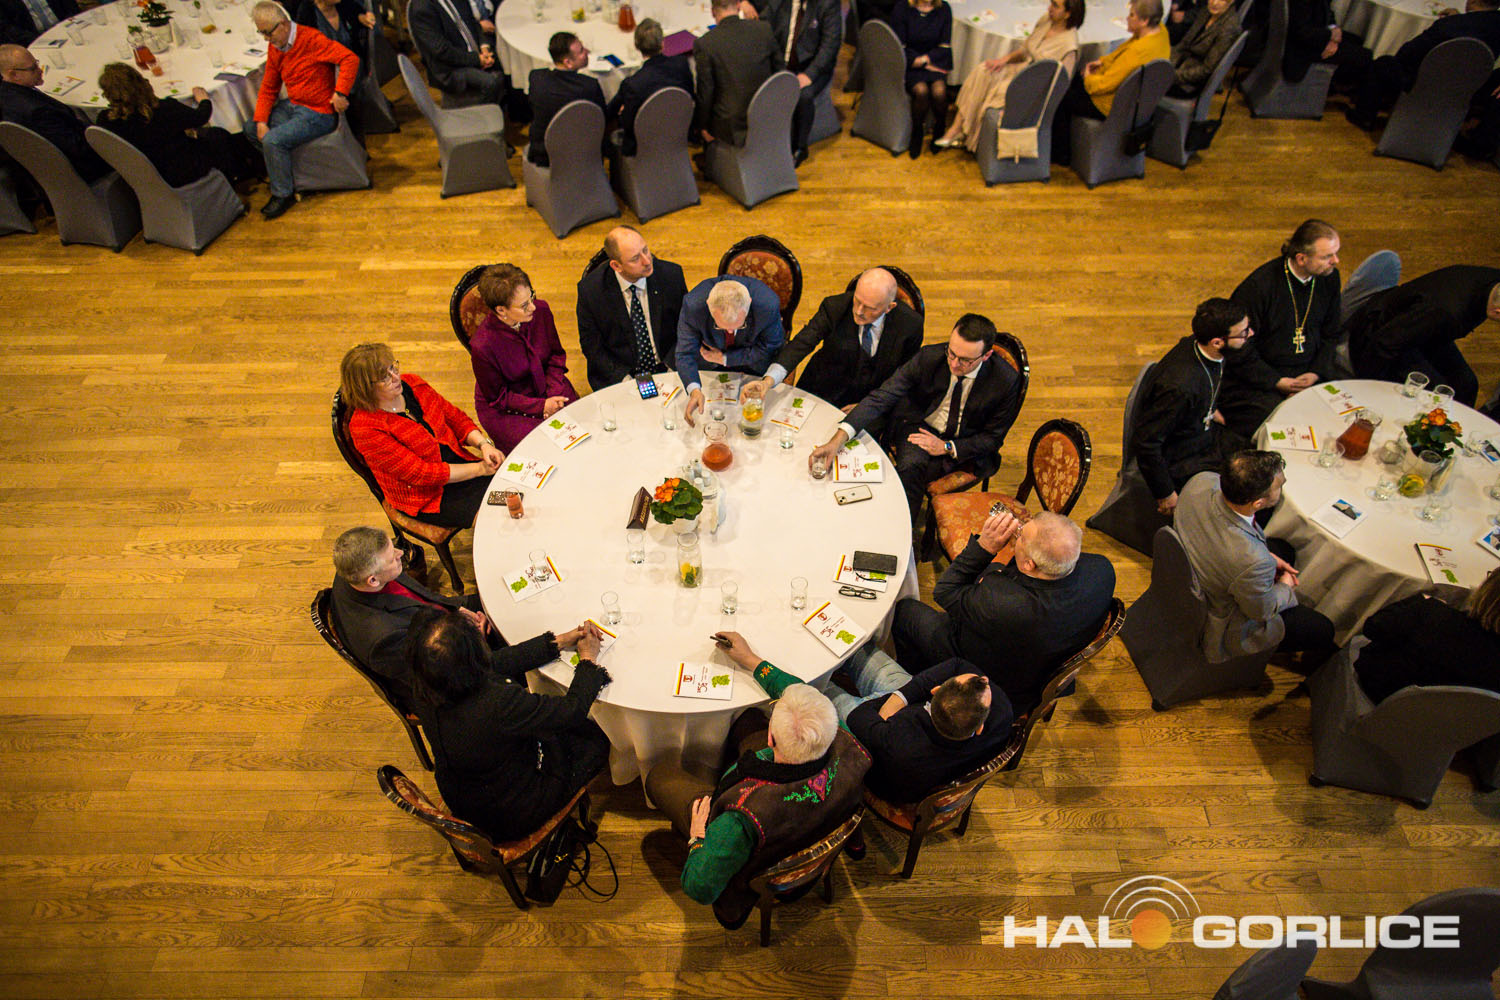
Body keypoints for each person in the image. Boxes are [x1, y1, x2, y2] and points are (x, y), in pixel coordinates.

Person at [643, 632, 870, 929]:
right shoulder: (846, 740)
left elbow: (699, 888)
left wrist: (698, 838)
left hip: (760, 838)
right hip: (819, 813)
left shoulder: (738, 822)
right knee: (748, 719)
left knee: (659, 777)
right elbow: (797, 691)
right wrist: (751, 660)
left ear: (771, 738)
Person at [405, 606, 612, 842]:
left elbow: (495, 662)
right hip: (511, 811)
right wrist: (588, 659)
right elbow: (571, 711)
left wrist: (560, 642)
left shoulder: (427, 684)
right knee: (597, 738)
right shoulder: (497, 703)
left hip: (464, 792)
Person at [892, 510, 1116, 714]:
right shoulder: (1102, 569)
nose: (1017, 534)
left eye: (1021, 537)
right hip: (1043, 657)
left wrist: (985, 546)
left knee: (905, 611)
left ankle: (914, 679)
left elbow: (945, 591)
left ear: (1028, 565)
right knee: (992, 573)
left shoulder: (1000, 604)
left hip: (999, 681)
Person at [808, 315, 1023, 523]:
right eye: (951, 353)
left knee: (905, 477)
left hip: (964, 442)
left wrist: (947, 446)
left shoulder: (1006, 381)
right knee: (907, 467)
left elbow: (993, 438)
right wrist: (837, 440)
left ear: (986, 355)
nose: (954, 364)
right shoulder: (929, 357)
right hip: (920, 425)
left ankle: (902, 532)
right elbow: (883, 396)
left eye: (965, 360)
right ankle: (887, 521)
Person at [1174, 452, 1336, 669]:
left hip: (1199, 563)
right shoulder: (1252, 562)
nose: (1283, 484)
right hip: (1219, 620)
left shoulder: (1201, 481)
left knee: (1283, 549)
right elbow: (1261, 611)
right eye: (1280, 485)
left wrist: (1265, 556)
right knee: (1323, 629)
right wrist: (1286, 587)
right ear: (1258, 503)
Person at [819, 643, 1015, 804]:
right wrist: (901, 696)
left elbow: (858, 715)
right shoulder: (1001, 712)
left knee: (819, 690)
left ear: (935, 691)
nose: (985, 678)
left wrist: (890, 705)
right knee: (856, 647)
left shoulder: (897, 744)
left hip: (884, 765)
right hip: (894, 720)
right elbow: (958, 664)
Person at [340, 342, 503, 529]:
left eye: (393, 367)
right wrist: (480, 469)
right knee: (495, 520)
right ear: (364, 388)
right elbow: (421, 474)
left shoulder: (414, 384)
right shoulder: (365, 428)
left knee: (514, 494)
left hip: (459, 465)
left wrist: (484, 444)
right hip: (426, 496)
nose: (396, 377)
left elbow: (455, 418)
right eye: (384, 377)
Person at [327, 526, 495, 697]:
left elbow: (424, 595)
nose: (400, 553)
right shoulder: (384, 639)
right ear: (373, 581)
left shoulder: (356, 570)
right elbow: (438, 672)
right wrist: (474, 638)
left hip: (443, 616)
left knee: (500, 593)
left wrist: (457, 609)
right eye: (392, 558)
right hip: (453, 665)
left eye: (393, 547)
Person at [1220, 219, 1343, 442]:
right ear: (1301, 258)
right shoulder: (1258, 288)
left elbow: (1331, 332)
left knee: (1335, 422)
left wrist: (1316, 372)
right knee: (1282, 431)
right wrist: (1277, 381)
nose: (1336, 261)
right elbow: (1239, 347)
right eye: (1327, 256)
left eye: (1335, 253)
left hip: (1309, 371)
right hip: (1262, 378)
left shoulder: (1329, 278)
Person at [739, 268, 924, 413]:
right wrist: (767, 381)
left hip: (871, 400)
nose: (858, 311)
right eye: (857, 300)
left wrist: (869, 405)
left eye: (869, 308)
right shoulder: (834, 307)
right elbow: (801, 344)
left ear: (889, 307)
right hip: (823, 388)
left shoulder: (910, 325)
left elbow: (905, 376)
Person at [1132, 297, 1253, 516]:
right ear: (1217, 342)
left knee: (1253, 455)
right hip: (1180, 457)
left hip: (1200, 433)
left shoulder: (1203, 348)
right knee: (1246, 486)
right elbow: (1147, 442)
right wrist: (1165, 493)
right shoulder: (1180, 388)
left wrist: (1210, 407)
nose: (1250, 334)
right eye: (1243, 333)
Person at [244, 1, 360, 219]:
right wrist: (261, 121)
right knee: (251, 128)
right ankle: (288, 172)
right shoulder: (276, 46)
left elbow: (350, 58)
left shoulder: (311, 39)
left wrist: (340, 92)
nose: (267, 39)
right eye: (262, 34)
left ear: (283, 24)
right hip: (295, 105)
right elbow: (269, 86)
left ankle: (283, 193)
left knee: (272, 141)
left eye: (268, 33)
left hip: (319, 112)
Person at [935, 0, 1082, 153]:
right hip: (1021, 70)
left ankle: (969, 136)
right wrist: (1002, 61)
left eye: (1055, 6)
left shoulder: (1069, 47)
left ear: (1068, 14)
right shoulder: (1046, 20)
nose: (1049, 8)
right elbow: (1025, 50)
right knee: (984, 70)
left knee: (997, 90)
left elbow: (1057, 88)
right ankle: (956, 129)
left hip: (1032, 89)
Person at [1344, 266, 1500, 408]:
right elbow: (1384, 343)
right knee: (1434, 391)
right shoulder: (1446, 312)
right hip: (1379, 334)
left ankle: (1452, 426)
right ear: (1497, 312)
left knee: (1467, 385)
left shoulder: (1494, 283)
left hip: (1425, 330)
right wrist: (1367, 391)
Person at [467, 263, 580, 452]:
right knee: (543, 449)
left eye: (531, 296)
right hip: (509, 406)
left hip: (547, 383)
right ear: (501, 310)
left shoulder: (541, 310)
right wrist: (541, 406)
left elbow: (555, 355)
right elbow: (498, 398)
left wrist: (553, 391)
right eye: (524, 305)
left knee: (580, 426)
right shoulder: (483, 346)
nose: (533, 307)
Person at [1349, 569, 1500, 703]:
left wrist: (1422, 600)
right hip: (1447, 723)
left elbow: (1372, 627)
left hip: (1375, 693)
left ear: (1487, 592)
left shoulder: (1433, 616)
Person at [1346, 0, 1500, 130]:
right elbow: (1475, 28)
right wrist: (1460, 18)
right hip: (1467, 90)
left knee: (1384, 63)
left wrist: (1456, 20)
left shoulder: (1448, 25)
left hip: (1425, 84)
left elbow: (1407, 54)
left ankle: (1364, 116)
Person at [95, 64, 259, 186]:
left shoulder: (105, 120)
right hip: (181, 170)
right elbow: (200, 117)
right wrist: (204, 100)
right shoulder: (161, 110)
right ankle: (238, 174)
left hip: (145, 176)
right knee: (219, 135)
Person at [1051, 0, 1169, 165]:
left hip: (1112, 105)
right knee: (1074, 81)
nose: (1127, 18)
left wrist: (1088, 77)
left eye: (1132, 15)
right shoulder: (1161, 32)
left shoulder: (1137, 53)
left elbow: (1102, 86)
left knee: (1062, 95)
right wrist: (1102, 62)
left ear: (1144, 21)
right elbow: (1121, 52)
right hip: (1137, 101)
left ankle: (1061, 154)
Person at [576, 225, 689, 391]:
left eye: (645, 250)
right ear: (616, 266)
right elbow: (591, 345)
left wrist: (671, 366)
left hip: (668, 365)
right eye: (635, 259)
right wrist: (624, 379)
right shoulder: (591, 291)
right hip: (622, 373)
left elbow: (687, 326)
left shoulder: (671, 275)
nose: (647, 261)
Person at [677, 275, 787, 424]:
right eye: (720, 326)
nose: (729, 332)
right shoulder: (693, 305)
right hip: (711, 366)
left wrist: (726, 358)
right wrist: (694, 390)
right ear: (708, 304)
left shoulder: (767, 305)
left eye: (739, 326)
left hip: (755, 365)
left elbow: (771, 346)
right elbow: (685, 353)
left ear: (749, 303)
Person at [749, 0, 842, 165]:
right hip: (781, 62)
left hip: (813, 67)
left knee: (803, 96)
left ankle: (800, 147)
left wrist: (809, 75)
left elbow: (829, 47)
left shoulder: (827, 4)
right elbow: (765, 21)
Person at [0, 43, 109, 181]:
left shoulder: (6, 93)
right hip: (81, 168)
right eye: (33, 68)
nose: (40, 70)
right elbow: (78, 149)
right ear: (14, 75)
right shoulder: (38, 112)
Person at [692, 0, 784, 146]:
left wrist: (701, 125)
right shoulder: (763, 29)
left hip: (730, 125)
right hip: (766, 112)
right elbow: (780, 72)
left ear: (713, 11)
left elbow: (706, 92)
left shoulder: (705, 44)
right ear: (739, 5)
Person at [605, 20, 693, 157]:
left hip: (643, 145)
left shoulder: (632, 84)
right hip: (679, 133)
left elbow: (616, 117)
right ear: (662, 43)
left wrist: (623, 113)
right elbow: (690, 96)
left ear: (636, 46)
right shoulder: (682, 64)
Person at [407, 0, 509, 109]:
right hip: (449, 68)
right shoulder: (421, 8)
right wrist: (477, 59)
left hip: (471, 53)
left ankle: (501, 112)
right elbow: (441, 51)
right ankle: (479, 115)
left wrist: (484, 48)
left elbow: (473, 23)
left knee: (505, 63)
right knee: (490, 82)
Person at [527, 32, 606, 167]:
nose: (587, 52)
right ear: (568, 63)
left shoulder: (536, 77)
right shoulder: (589, 86)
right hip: (580, 153)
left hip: (543, 151)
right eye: (581, 51)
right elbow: (601, 118)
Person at [890, 0, 953, 157]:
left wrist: (926, 59)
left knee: (939, 92)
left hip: (934, 61)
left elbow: (945, 45)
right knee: (921, 91)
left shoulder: (944, 9)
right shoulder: (902, 8)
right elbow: (899, 46)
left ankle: (939, 128)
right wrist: (917, 61)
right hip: (910, 62)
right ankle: (917, 132)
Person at [1283, 0, 1370, 92]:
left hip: (1316, 32)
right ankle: (1335, 89)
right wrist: (1329, 37)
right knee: (1364, 56)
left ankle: (1335, 86)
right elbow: (1301, 32)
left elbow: (1326, 9)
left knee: (1357, 41)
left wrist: (1333, 29)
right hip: (1300, 47)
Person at [1168, 0, 1240, 97]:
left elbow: (1207, 69)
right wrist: (1168, 63)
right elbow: (1184, 43)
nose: (1214, 3)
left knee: (1149, 81)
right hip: (1182, 65)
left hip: (1191, 83)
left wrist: (1173, 76)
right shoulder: (1206, 11)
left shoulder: (1229, 28)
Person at [0, 0, 77, 46]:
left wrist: (68, 25)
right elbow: (7, 28)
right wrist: (40, 39)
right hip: (34, 40)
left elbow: (70, 6)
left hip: (66, 28)